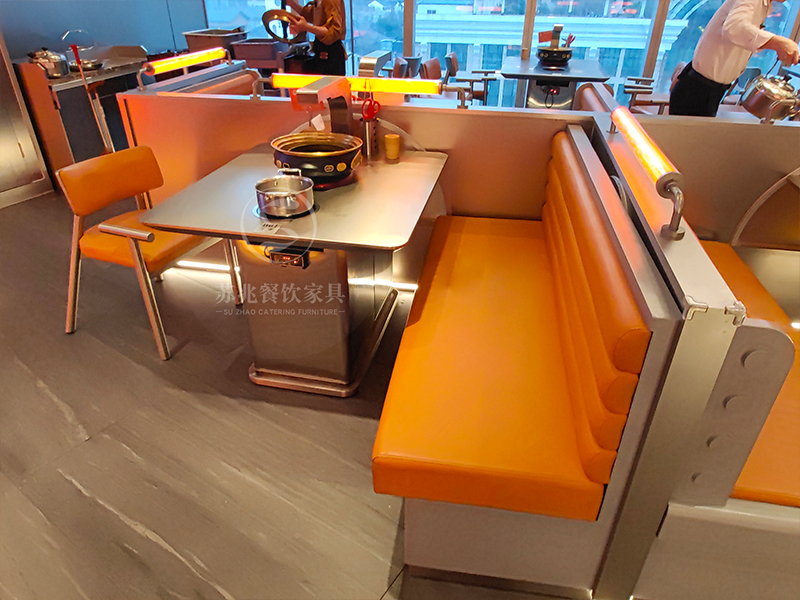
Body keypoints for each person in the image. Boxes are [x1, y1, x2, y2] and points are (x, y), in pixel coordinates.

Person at [670, 0, 800, 117]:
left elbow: (741, 37)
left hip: (711, 90)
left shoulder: (762, 6)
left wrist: (776, 45)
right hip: (697, 89)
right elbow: (734, 28)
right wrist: (778, 42)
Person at [284, 0, 347, 76]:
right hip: (322, 52)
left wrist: (307, 27)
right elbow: (313, 15)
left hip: (330, 55)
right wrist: (290, 3)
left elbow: (335, 31)